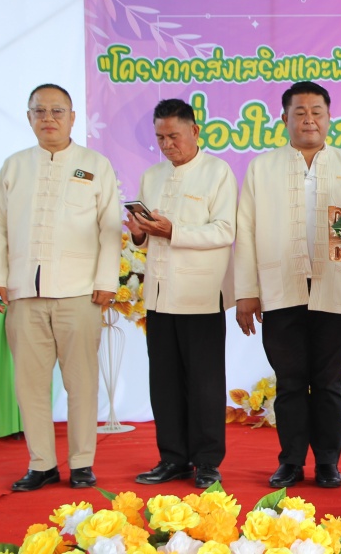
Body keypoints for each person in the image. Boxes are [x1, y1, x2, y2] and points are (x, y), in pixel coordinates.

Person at [0, 83, 121, 491]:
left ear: (72, 117)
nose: (48, 119)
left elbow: (110, 228)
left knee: (82, 382)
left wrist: (106, 281)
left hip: (80, 293)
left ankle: (81, 463)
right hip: (23, 293)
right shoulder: (14, 167)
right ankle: (41, 463)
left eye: (57, 111)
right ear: (29, 118)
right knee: (29, 385)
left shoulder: (95, 164)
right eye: (39, 111)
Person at [235, 81, 341, 489]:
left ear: (329, 117)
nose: (309, 119)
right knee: (289, 382)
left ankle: (328, 462)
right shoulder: (262, 168)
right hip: (280, 288)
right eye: (300, 112)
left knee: (329, 382)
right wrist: (246, 291)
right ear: (284, 118)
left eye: (316, 112)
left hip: (337, 289)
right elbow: (245, 230)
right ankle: (290, 461)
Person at [129, 98, 237, 489]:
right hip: (159, 296)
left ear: (194, 131)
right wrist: (139, 232)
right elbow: (147, 239)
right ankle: (172, 458)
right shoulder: (152, 176)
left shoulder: (217, 172)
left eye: (174, 136)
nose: (167, 144)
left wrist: (174, 230)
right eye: (160, 137)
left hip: (201, 295)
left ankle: (207, 462)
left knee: (205, 384)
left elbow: (225, 230)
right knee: (164, 382)